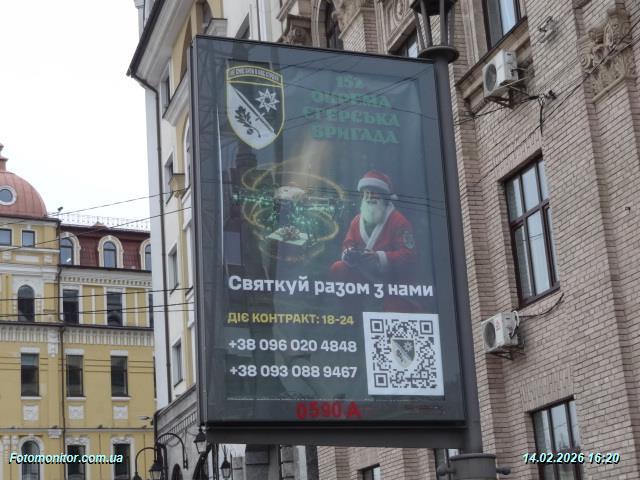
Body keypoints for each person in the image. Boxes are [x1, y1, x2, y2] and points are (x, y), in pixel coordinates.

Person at [330, 171, 417, 285]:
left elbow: (408, 255)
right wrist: (350, 254)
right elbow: (348, 244)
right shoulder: (356, 221)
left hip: (389, 278)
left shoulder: (399, 221)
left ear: (383, 196)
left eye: (374, 193)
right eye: (366, 193)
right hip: (362, 273)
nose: (369, 197)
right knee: (338, 268)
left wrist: (379, 257)